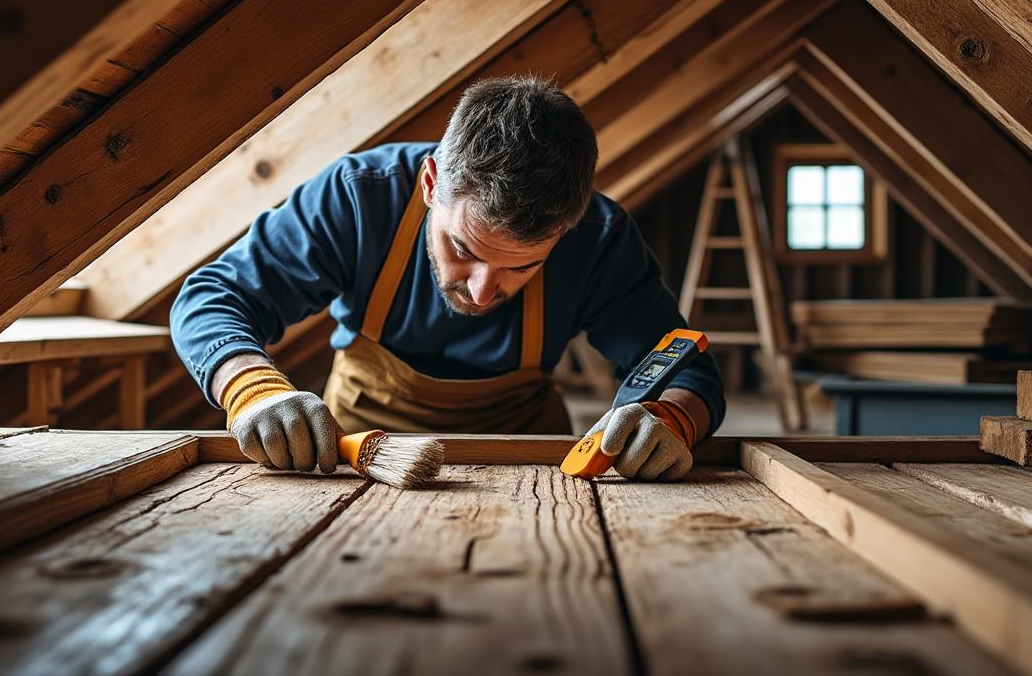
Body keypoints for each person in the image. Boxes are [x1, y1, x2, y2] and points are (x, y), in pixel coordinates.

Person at [170, 76, 724, 481]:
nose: (483, 291)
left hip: (528, 462)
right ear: (432, 182)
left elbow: (684, 366)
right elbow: (215, 295)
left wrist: (669, 417)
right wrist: (253, 390)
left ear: (570, 227)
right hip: (356, 456)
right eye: (463, 248)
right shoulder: (361, 196)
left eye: (522, 265)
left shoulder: (600, 236)